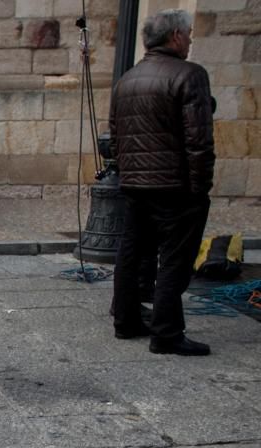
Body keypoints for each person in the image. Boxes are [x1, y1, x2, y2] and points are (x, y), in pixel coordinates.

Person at [110, 9, 215, 356]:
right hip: (175, 188)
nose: (190, 39)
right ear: (175, 37)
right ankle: (167, 333)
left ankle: (125, 321)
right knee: (174, 259)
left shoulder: (127, 80)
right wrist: (200, 188)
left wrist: (128, 174)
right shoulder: (190, 75)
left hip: (136, 185)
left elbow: (116, 135)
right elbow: (198, 140)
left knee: (132, 254)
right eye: (188, 33)